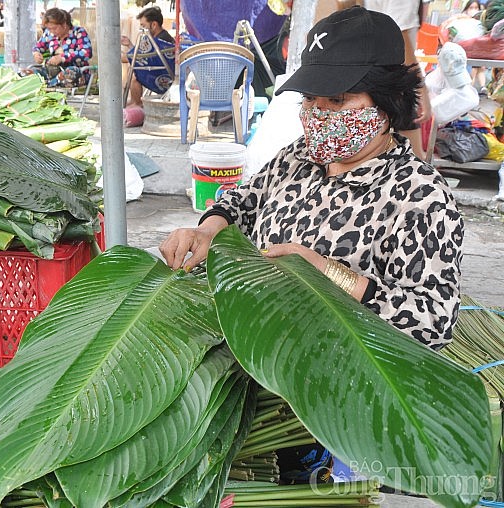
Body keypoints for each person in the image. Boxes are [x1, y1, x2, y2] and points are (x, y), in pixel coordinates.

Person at [159, 6, 463, 350]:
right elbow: (243, 200)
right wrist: (207, 229)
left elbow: (433, 321)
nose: (317, 113)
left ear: (388, 101)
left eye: (336, 99)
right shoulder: (300, 155)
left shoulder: (421, 197)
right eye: (309, 98)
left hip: (329, 371)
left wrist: (326, 273)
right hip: (255, 341)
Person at [363, 0, 431, 159]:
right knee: (415, 161)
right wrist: (420, 89)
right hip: (394, 83)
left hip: (370, 78)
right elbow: (400, 36)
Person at [120, 5, 175, 107]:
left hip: (164, 80)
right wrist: (129, 45)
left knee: (134, 74)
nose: (141, 29)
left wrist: (115, 56)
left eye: (143, 26)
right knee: (133, 70)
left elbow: (138, 57)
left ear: (154, 24)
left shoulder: (158, 42)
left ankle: (137, 104)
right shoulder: (161, 38)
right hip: (163, 75)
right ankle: (134, 102)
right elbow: (144, 56)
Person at [31, 7, 93, 88]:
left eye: (54, 28)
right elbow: (38, 47)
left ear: (64, 24)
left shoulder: (78, 32)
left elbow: (87, 53)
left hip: (75, 73)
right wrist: (36, 53)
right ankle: (50, 83)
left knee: (70, 73)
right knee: (28, 73)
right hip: (52, 72)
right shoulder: (48, 34)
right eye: (49, 29)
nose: (51, 31)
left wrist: (62, 57)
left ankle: (49, 84)